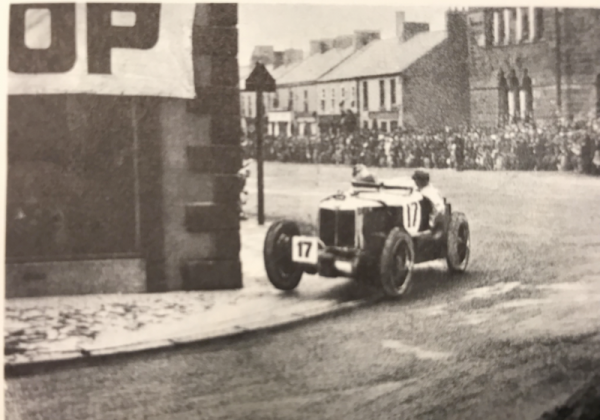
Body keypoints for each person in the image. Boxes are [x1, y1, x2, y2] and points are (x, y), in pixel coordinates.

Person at [412, 170, 445, 239]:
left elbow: (440, 209)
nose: (415, 182)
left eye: (416, 180)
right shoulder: (418, 190)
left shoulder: (430, 193)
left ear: (421, 181)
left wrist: (431, 223)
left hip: (428, 225)